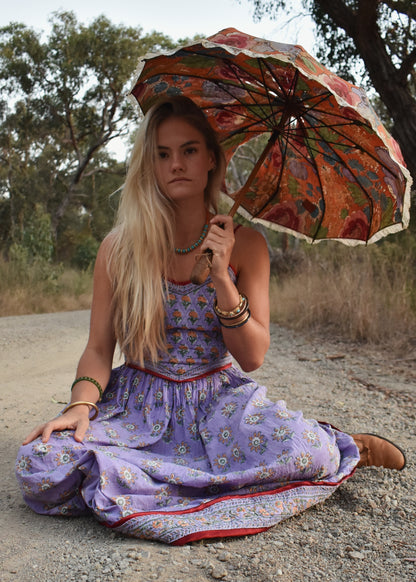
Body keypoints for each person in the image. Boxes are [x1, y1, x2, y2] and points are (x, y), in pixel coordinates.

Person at [15, 96, 406, 545]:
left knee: (309, 451)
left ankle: (347, 445)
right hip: (138, 407)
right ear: (150, 164)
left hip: (217, 403)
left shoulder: (248, 245)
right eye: (162, 154)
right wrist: (80, 407)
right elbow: (100, 348)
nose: (175, 164)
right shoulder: (119, 248)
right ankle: (186, 476)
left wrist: (222, 276)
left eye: (189, 150)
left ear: (211, 159)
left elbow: (253, 356)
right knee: (40, 461)